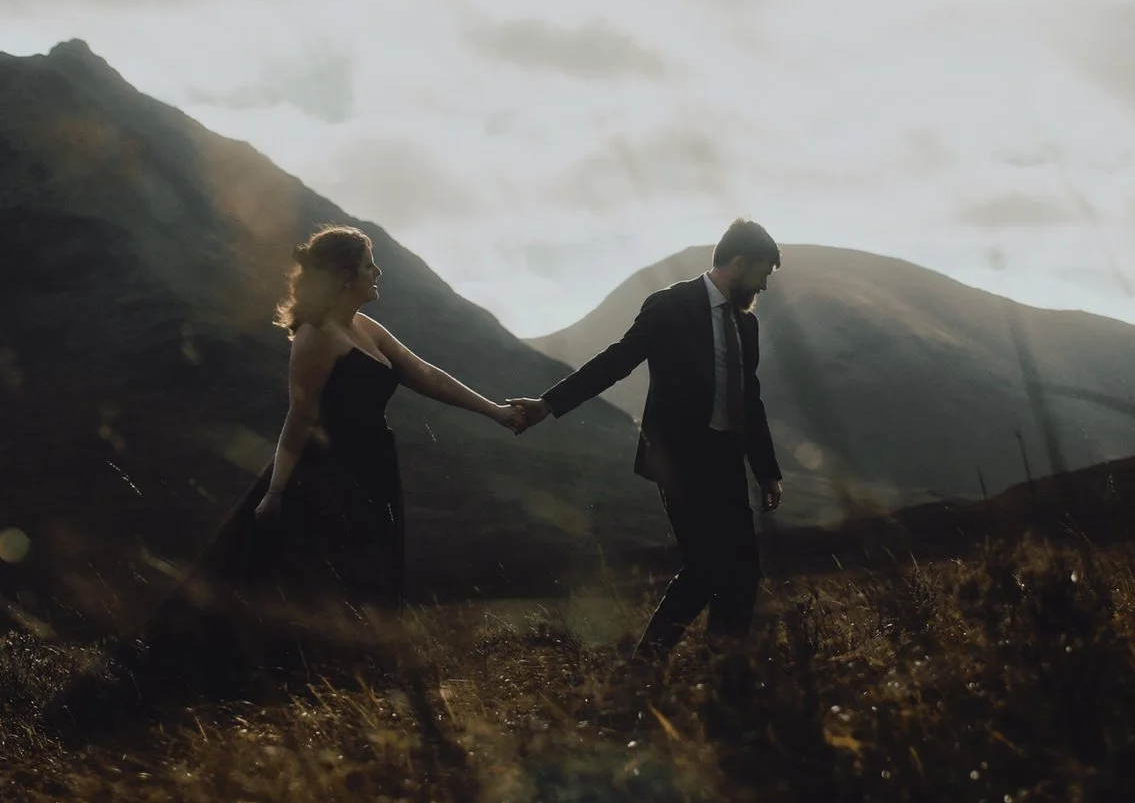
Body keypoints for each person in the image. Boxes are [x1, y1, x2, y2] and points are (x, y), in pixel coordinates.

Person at [199, 225, 525, 607]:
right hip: (328, 475)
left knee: (373, 572)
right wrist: (275, 491)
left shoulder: (363, 327)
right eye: (369, 265)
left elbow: (425, 374)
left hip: (374, 467)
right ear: (343, 276)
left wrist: (495, 412)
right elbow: (301, 417)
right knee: (328, 578)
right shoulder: (315, 336)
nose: (378, 273)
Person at [510, 219, 784, 658]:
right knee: (706, 567)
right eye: (763, 272)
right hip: (678, 460)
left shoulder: (744, 325)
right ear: (738, 263)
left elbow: (750, 400)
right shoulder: (670, 305)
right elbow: (619, 359)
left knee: (743, 568)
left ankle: (726, 665)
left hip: (726, 459)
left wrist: (767, 471)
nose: (765, 285)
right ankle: (646, 664)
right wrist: (550, 403)